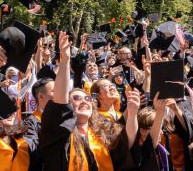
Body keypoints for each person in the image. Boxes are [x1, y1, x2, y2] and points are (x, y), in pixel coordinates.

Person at [39, 31, 141, 170]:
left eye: (87, 98)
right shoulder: (59, 133)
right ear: (68, 106)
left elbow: (126, 143)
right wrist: (65, 61)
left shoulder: (103, 130)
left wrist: (133, 112)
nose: (84, 101)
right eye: (76, 98)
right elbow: (59, 103)